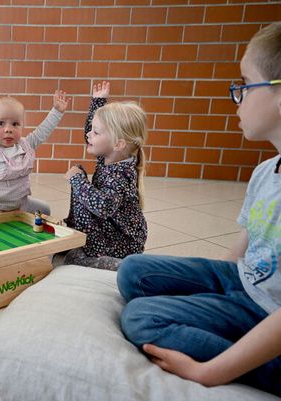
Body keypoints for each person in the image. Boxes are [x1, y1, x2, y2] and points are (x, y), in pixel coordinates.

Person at [117, 22, 281, 396]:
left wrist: (208, 373)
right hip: (244, 284)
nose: (236, 96)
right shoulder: (265, 171)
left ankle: (266, 368)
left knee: (141, 318)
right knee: (132, 271)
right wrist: (210, 291)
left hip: (270, 314)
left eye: (244, 84)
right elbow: (243, 245)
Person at [63, 81, 147, 270]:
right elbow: (90, 132)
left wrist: (77, 180)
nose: (88, 135)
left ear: (118, 144)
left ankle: (113, 263)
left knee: (72, 260)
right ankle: (78, 236)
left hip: (120, 243)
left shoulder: (120, 175)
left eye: (96, 132)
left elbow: (103, 207)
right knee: (82, 181)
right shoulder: (111, 156)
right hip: (108, 230)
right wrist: (97, 102)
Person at [0, 91, 68, 226]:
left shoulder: (26, 145)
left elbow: (42, 132)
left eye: (15, 124)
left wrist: (57, 111)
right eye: (1, 123)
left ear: (22, 126)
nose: (8, 129)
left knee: (45, 208)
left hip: (22, 205)